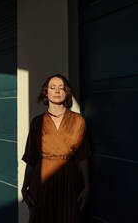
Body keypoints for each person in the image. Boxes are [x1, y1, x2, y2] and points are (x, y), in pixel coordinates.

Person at [21, 74, 91, 223]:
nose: (57, 91)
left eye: (61, 88)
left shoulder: (78, 120)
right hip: (42, 182)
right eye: (52, 87)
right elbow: (31, 158)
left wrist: (87, 187)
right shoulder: (37, 122)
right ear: (46, 92)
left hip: (69, 182)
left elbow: (82, 157)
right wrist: (25, 186)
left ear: (67, 93)